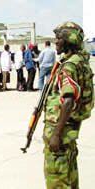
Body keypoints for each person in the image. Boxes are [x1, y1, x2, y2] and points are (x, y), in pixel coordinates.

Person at [42, 22, 94, 189]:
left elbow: (69, 100)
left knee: (58, 181)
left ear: (69, 41)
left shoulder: (69, 65)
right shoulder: (79, 61)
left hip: (61, 134)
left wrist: (56, 134)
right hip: (69, 132)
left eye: (59, 38)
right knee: (70, 180)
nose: (56, 41)